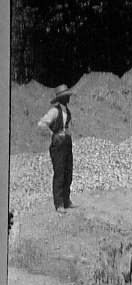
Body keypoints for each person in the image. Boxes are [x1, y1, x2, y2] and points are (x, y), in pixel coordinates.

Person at [37, 84, 74, 212]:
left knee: (68, 172)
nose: (68, 98)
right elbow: (41, 124)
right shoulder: (54, 111)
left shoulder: (67, 111)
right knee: (59, 173)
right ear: (62, 98)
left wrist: (67, 134)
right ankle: (59, 204)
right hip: (58, 145)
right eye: (66, 96)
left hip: (67, 143)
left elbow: (66, 126)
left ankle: (66, 200)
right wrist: (52, 134)